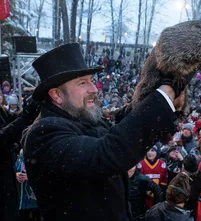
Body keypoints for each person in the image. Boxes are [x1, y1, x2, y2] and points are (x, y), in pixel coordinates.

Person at [21, 43, 189, 220]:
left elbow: (120, 122)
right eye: (82, 83)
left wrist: (162, 85)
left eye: (91, 81)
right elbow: (106, 153)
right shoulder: (44, 134)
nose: (94, 89)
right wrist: (164, 95)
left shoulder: (84, 119)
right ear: (56, 95)